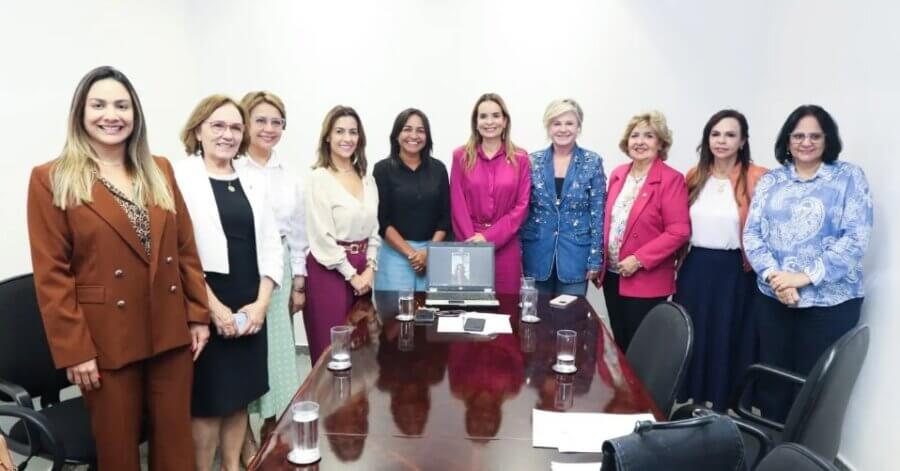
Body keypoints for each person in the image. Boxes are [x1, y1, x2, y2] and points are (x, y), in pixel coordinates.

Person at [26, 65, 210, 471]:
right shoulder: (51, 178)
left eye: (122, 105)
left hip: (169, 328)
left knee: (176, 447)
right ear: (80, 113)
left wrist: (198, 315)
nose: (112, 115)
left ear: (135, 114)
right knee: (118, 451)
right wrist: (76, 352)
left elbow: (184, 250)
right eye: (99, 105)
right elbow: (52, 276)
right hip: (105, 339)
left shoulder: (158, 169)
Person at [744, 104, 872, 420]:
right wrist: (777, 278)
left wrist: (802, 278)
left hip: (830, 304)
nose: (806, 142)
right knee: (773, 382)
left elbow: (856, 239)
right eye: (798, 135)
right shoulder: (771, 181)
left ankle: (803, 458)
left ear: (828, 140)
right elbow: (753, 234)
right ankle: (771, 450)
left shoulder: (849, 177)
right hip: (774, 299)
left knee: (815, 388)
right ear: (787, 141)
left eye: (815, 135)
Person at [174, 95, 282, 471]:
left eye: (236, 127)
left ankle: (233, 465)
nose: (228, 134)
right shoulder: (181, 177)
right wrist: (214, 309)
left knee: (240, 397)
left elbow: (271, 244)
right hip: (205, 305)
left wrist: (262, 303)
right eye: (218, 126)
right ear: (198, 130)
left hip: (250, 301)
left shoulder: (253, 178)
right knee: (208, 403)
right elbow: (178, 253)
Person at [674, 109, 768, 411]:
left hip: (735, 271)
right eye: (715, 134)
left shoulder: (758, 177)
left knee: (728, 338)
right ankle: (694, 402)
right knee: (695, 336)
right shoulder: (694, 175)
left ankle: (723, 407)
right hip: (695, 268)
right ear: (707, 139)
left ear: (743, 141)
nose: (722, 140)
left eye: (730, 134)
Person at [234, 91, 307, 459]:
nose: (269, 128)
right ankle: (243, 438)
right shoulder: (231, 168)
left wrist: (300, 282)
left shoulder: (288, 176)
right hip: (240, 268)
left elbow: (297, 234)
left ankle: (270, 431)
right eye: (260, 120)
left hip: (278, 271)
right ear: (245, 122)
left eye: (276, 122)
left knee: (278, 357)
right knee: (244, 354)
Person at [599, 110, 690, 351]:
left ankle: (640, 391)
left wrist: (639, 260)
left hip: (645, 279)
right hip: (613, 275)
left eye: (648, 136)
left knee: (643, 350)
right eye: (634, 135)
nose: (639, 142)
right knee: (620, 343)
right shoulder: (619, 174)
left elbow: (679, 231)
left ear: (660, 142)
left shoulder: (671, 179)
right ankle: (623, 390)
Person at [304, 105, 381, 362]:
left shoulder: (367, 179)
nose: (347, 138)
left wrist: (370, 268)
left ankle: (357, 404)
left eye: (353, 132)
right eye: (339, 131)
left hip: (363, 270)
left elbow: (375, 230)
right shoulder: (319, 178)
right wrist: (352, 275)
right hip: (330, 271)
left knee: (362, 348)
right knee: (332, 350)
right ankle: (329, 403)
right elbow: (321, 235)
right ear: (327, 136)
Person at [521, 98, 606, 296]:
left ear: (578, 127)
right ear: (548, 127)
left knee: (571, 320)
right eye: (556, 123)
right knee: (536, 319)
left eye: (569, 123)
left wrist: (595, 259)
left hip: (575, 256)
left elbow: (597, 213)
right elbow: (524, 210)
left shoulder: (592, 162)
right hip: (536, 253)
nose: (563, 129)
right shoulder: (532, 161)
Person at [449, 93, 531, 294]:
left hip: (506, 245)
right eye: (483, 116)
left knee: (507, 309)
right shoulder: (461, 156)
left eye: (495, 116)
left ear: (504, 121)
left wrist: (489, 238)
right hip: (469, 244)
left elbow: (522, 206)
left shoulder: (521, 158)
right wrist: (473, 243)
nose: (489, 122)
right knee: (470, 309)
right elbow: (457, 203)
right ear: (475, 123)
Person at [372, 108, 450, 291]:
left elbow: (445, 219)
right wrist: (413, 254)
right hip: (394, 255)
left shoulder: (439, 169)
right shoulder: (382, 170)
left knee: (431, 316)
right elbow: (383, 221)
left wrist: (427, 252)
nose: (413, 135)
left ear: (427, 136)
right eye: (407, 129)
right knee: (394, 316)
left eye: (420, 130)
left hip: (432, 254)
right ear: (396, 135)